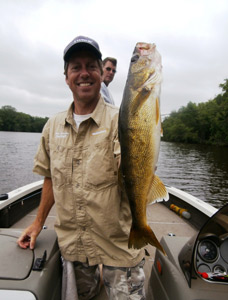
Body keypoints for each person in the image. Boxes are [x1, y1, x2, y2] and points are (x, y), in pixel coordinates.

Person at [17, 35, 145, 300]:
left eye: (91, 66)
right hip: (74, 247)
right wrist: (38, 222)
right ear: (66, 77)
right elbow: (51, 178)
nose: (84, 73)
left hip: (120, 245)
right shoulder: (52, 127)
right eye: (76, 67)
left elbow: (134, 170)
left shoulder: (122, 120)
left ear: (101, 74)